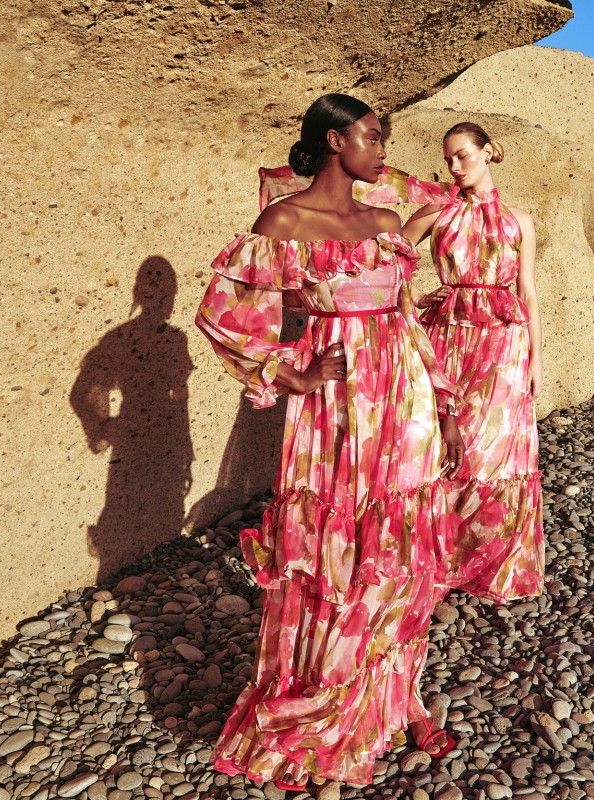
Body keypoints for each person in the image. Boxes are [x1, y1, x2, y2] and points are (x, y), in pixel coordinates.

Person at [194, 93, 463, 789]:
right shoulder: (283, 221)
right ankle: (321, 709)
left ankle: (399, 700)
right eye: (374, 136)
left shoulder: (383, 221)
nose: (384, 148)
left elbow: (404, 311)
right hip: (336, 410)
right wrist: (295, 372)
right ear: (337, 140)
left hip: (401, 397)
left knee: (401, 556)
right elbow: (226, 318)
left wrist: (442, 398)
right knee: (337, 555)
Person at [399, 122, 545, 604]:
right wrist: (408, 301)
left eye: (462, 156)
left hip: (505, 343)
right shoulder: (437, 212)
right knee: (442, 444)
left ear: (487, 153)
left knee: (495, 449)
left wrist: (536, 360)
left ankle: (487, 561)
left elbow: (527, 292)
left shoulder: (519, 219)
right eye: (448, 159)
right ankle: (438, 558)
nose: (454, 167)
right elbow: (387, 257)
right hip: (448, 339)